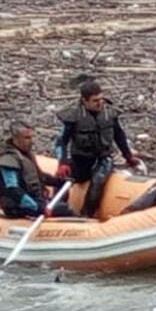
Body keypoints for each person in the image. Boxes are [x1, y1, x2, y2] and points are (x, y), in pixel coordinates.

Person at [55, 80, 142, 219]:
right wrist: (62, 162)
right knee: (60, 180)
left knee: (98, 180)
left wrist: (128, 156)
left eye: (101, 99)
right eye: (95, 101)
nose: (100, 103)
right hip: (81, 158)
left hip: (103, 158)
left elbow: (119, 136)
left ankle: (86, 214)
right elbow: (61, 142)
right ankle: (58, 210)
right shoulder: (72, 116)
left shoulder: (110, 113)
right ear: (84, 100)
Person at [0, 121, 71, 219]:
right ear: (15, 138)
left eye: (31, 137)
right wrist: (37, 207)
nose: (31, 141)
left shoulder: (27, 155)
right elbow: (13, 190)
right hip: (18, 207)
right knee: (65, 210)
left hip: (34, 202)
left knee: (62, 203)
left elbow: (40, 177)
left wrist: (60, 182)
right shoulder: (8, 160)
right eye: (26, 138)